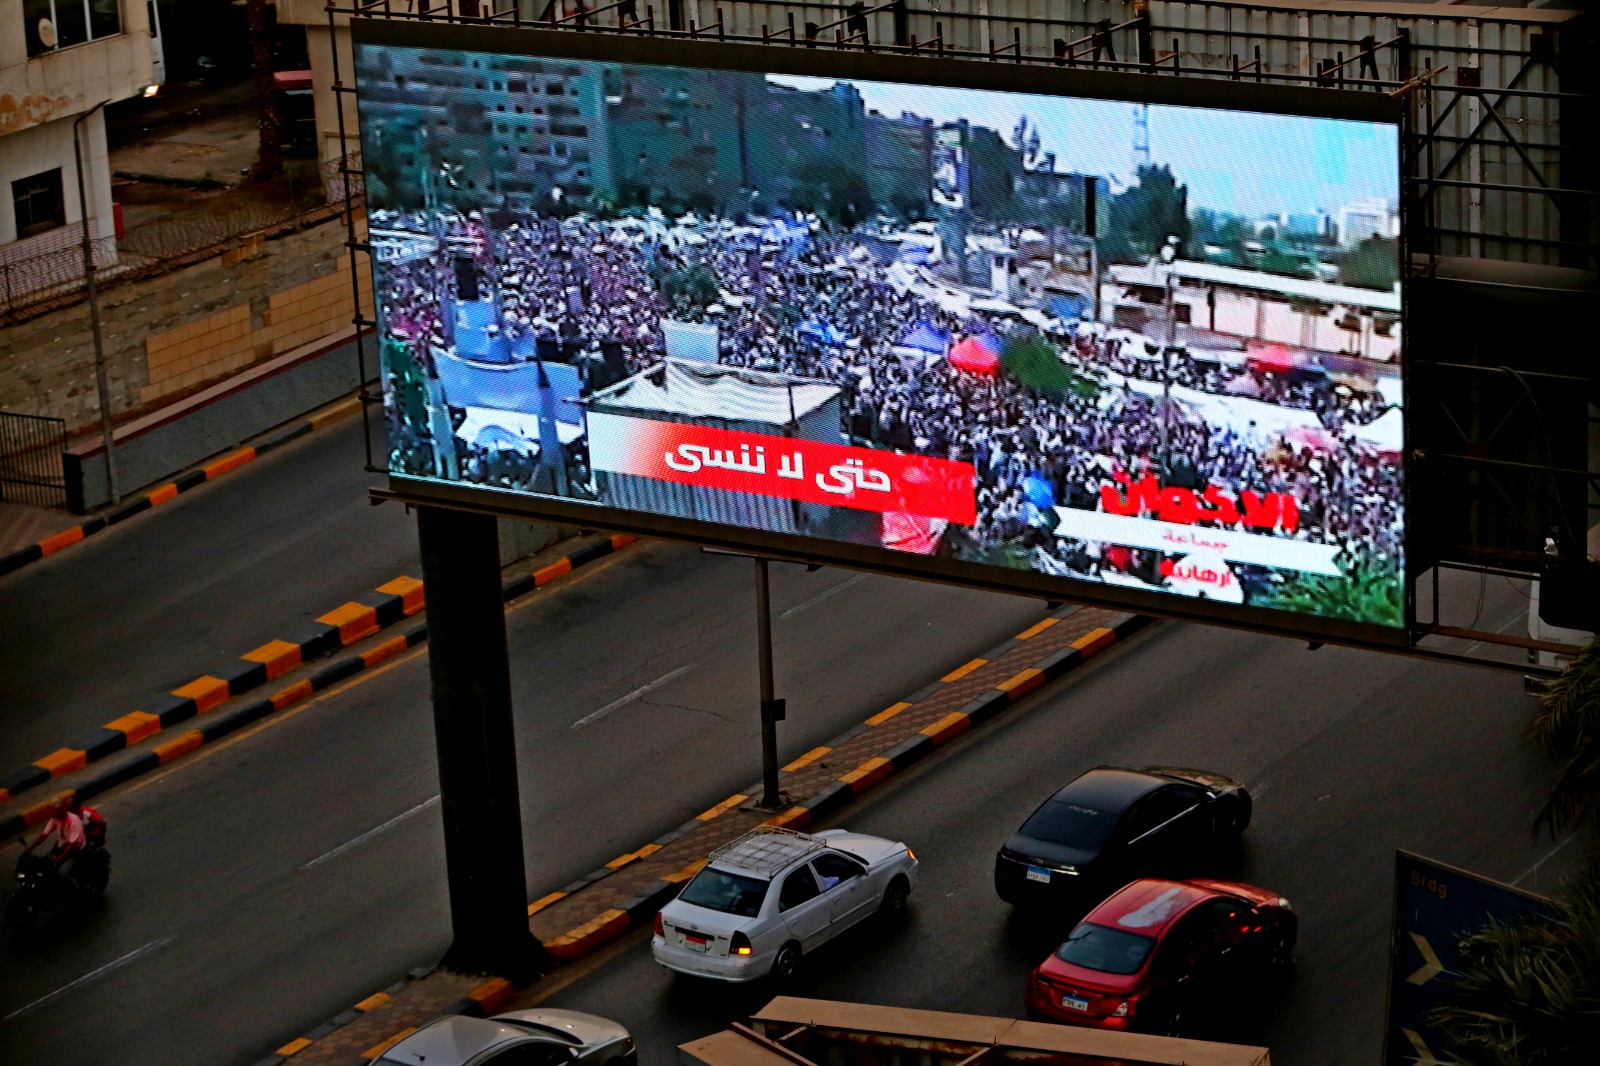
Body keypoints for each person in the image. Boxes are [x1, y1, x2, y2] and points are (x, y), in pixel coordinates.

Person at [26, 800, 86, 876]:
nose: (51, 813)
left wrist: (60, 858)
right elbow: (44, 835)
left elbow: (72, 844)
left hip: (75, 847)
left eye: (53, 811)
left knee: (61, 872)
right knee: (45, 862)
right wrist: (30, 848)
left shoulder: (74, 820)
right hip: (63, 845)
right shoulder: (55, 819)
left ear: (60, 812)